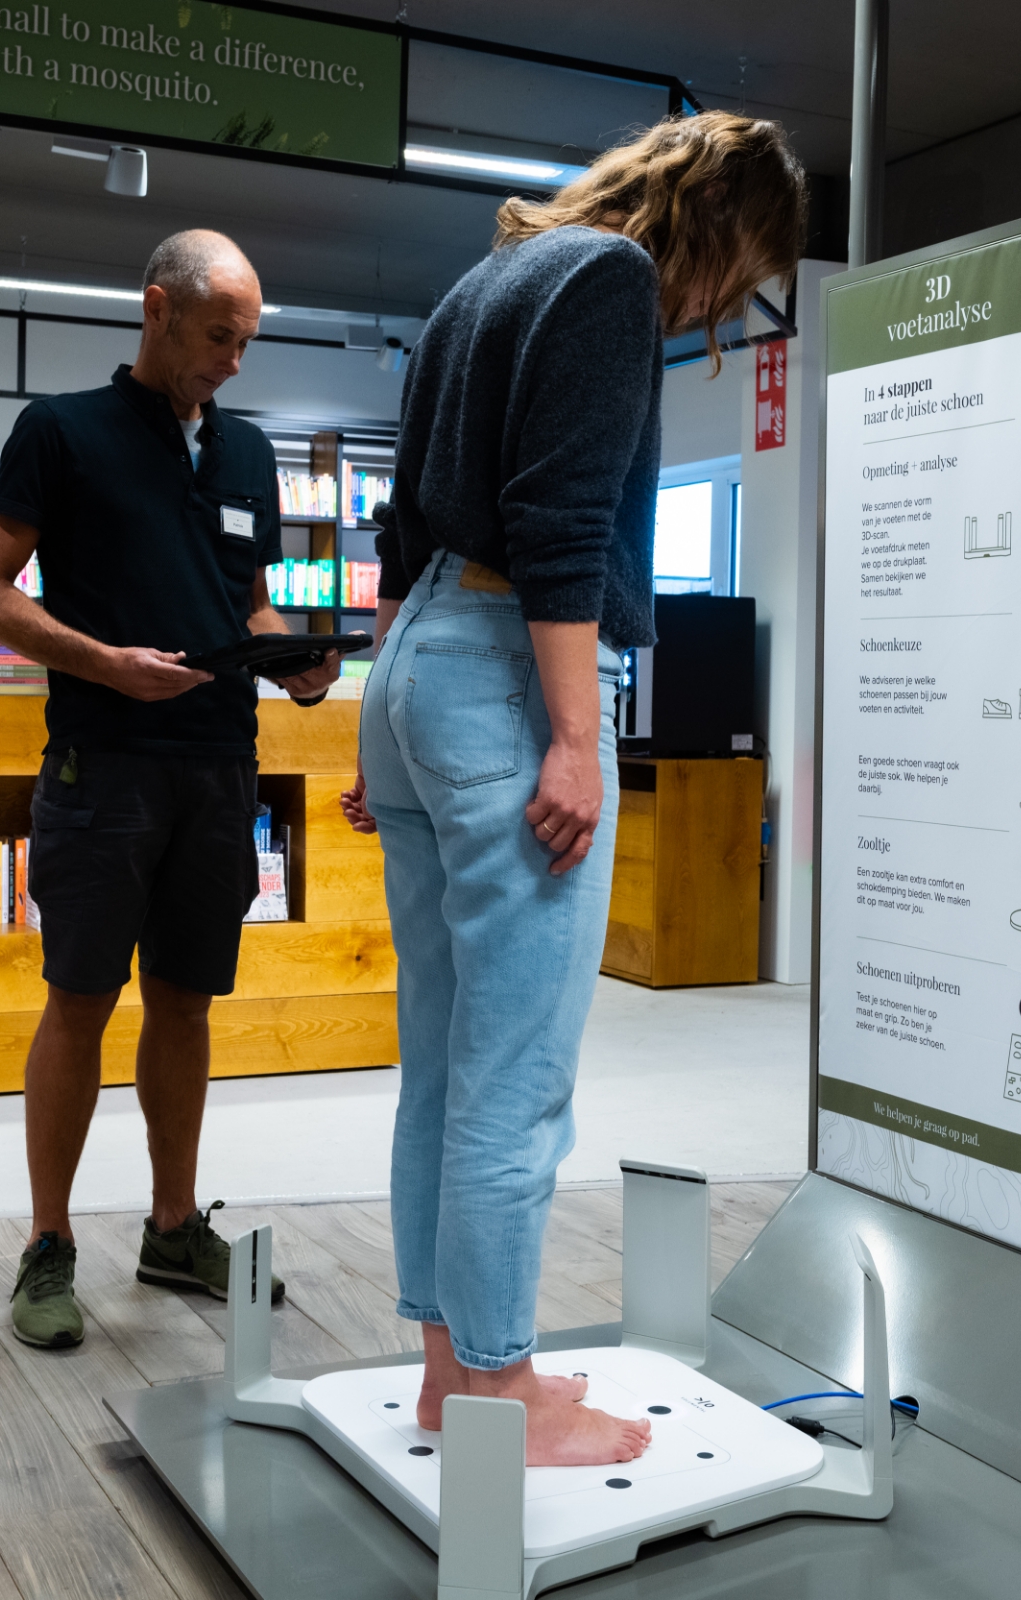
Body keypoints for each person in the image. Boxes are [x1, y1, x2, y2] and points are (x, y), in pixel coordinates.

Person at [340, 113, 806, 1463]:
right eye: (744, 270)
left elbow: (404, 522)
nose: (723, 305)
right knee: (515, 1076)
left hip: (418, 667)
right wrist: (576, 739)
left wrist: (384, 732)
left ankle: (450, 1373)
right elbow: (558, 523)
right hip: (506, 671)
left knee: (441, 1064)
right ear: (718, 224)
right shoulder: (608, 279)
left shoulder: (488, 276)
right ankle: (501, 1392)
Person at [0, 229, 339, 1350]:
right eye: (219, 336)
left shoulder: (248, 453)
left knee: (186, 1001)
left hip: (218, 767)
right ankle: (48, 1245)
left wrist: (293, 659)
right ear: (157, 311)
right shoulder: (61, 431)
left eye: (247, 342)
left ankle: (173, 1228)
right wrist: (104, 663)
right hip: (103, 764)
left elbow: (247, 603)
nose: (233, 360)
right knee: (79, 999)